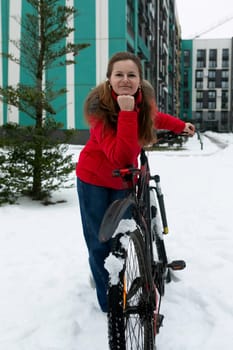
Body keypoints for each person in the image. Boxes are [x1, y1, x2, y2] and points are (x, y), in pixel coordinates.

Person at [76, 51, 195, 313]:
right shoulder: (100, 110)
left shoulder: (142, 101)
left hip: (124, 181)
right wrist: (126, 113)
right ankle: (109, 304)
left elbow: (154, 117)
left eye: (132, 75)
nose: (125, 80)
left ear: (140, 80)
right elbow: (121, 157)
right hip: (94, 179)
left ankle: (116, 276)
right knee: (99, 240)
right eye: (119, 74)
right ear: (109, 80)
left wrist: (179, 126)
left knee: (121, 237)